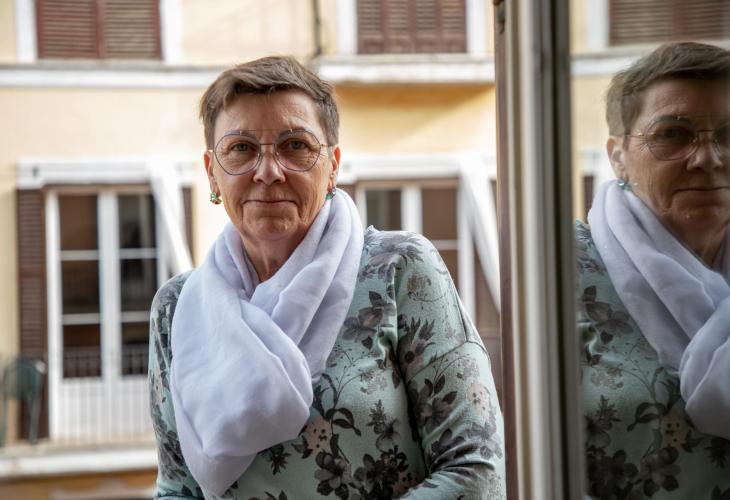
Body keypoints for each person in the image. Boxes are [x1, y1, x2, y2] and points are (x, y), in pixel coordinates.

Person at [148, 56, 505, 499]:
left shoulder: (399, 270)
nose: (268, 171)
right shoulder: (177, 308)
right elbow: (177, 489)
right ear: (211, 173)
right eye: (240, 148)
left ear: (333, 165)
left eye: (295, 145)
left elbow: (476, 470)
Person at [577, 42, 730, 499]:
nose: (708, 158)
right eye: (673, 134)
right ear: (618, 156)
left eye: (728, 134)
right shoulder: (556, 273)